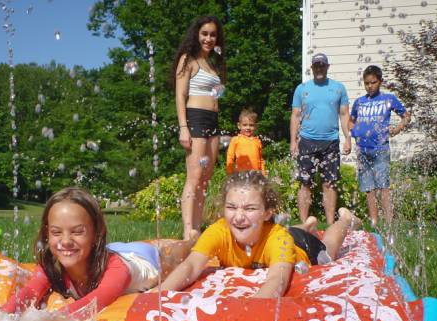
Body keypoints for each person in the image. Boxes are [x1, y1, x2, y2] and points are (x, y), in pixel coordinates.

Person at [160, 171, 360, 298]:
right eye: (231, 207)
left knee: (328, 249)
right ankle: (308, 223)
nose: (238, 217)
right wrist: (159, 295)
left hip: (302, 247)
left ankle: (345, 220)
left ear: (267, 213)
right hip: (279, 232)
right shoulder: (219, 230)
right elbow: (191, 265)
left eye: (249, 208)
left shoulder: (279, 239)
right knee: (290, 230)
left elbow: (277, 280)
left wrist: (251, 307)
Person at [2, 187, 194, 319]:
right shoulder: (51, 266)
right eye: (56, 232)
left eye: (77, 231)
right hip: (110, 251)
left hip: (144, 258)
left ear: (97, 233)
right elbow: (29, 293)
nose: (66, 241)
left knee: (175, 254)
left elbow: (95, 301)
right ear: (47, 234)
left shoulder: (119, 270)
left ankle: (192, 239)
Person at [171, 16, 227, 240]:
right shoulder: (189, 59)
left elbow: (216, 95)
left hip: (213, 121)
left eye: (213, 34)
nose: (209, 38)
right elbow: (180, 94)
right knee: (194, 177)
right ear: (197, 34)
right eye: (205, 33)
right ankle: (187, 231)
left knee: (206, 178)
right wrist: (183, 127)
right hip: (195, 119)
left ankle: (197, 227)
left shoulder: (212, 65)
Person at [290, 52, 351, 225]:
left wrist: (348, 138)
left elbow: (344, 113)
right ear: (312, 68)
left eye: (322, 65)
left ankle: (331, 224)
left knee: (329, 184)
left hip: (331, 141)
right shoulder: (302, 89)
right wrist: (293, 141)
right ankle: (303, 223)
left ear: (327, 67)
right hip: (307, 141)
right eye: (316, 65)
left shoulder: (338, 88)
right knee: (305, 183)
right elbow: (295, 115)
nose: (319, 68)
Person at [350, 65, 411, 226]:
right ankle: (374, 221)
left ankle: (389, 221)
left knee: (383, 186)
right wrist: (353, 134)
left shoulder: (388, 99)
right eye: (367, 83)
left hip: (380, 149)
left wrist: (397, 128)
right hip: (363, 150)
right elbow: (351, 121)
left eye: (373, 82)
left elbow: (406, 116)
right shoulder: (359, 102)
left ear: (380, 81)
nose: (370, 86)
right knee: (368, 188)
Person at [226, 108, 265, 175]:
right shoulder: (236, 139)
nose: (248, 128)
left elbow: (261, 160)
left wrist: (263, 173)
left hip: (256, 175)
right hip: (241, 174)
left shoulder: (257, 141)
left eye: (251, 125)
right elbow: (230, 157)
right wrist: (230, 172)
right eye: (245, 125)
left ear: (255, 126)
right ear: (239, 126)